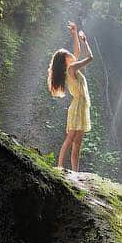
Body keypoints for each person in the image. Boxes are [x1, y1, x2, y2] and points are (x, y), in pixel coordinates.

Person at [48, 19, 93, 172]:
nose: (72, 55)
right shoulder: (72, 68)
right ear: (65, 60)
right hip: (77, 107)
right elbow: (90, 57)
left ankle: (75, 173)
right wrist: (85, 41)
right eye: (68, 55)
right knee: (70, 139)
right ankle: (60, 167)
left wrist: (74, 34)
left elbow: (77, 52)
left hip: (81, 106)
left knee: (77, 143)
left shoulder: (70, 68)